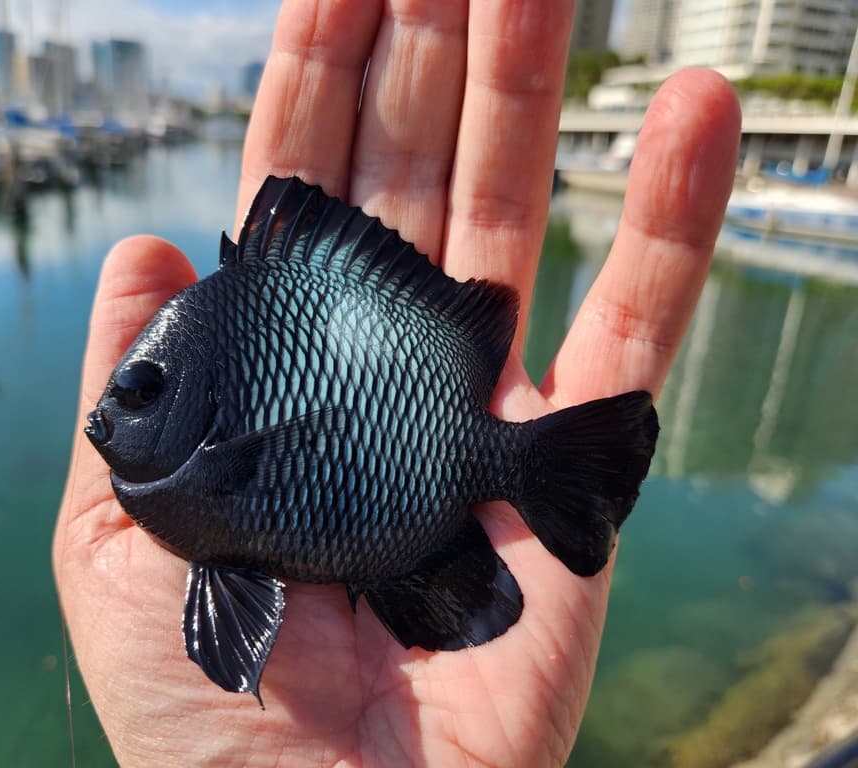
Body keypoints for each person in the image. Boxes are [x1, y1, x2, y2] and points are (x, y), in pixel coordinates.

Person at [54, 1, 741, 765]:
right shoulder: (180, 462)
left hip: (422, 512)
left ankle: (536, 467)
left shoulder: (182, 457)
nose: (104, 421)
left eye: (142, 390)